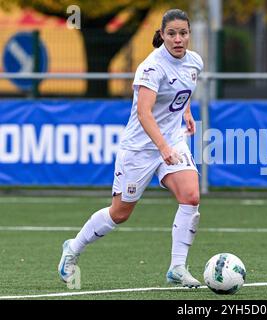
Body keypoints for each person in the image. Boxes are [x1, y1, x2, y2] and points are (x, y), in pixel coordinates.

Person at [58, 9, 203, 288]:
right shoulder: (151, 67)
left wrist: (185, 112)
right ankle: (73, 248)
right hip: (140, 148)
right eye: (171, 33)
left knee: (191, 196)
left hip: (171, 141)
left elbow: (181, 90)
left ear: (189, 35)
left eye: (183, 33)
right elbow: (145, 113)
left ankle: (177, 267)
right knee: (120, 213)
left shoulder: (194, 62)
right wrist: (162, 147)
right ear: (162, 35)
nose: (177, 39)